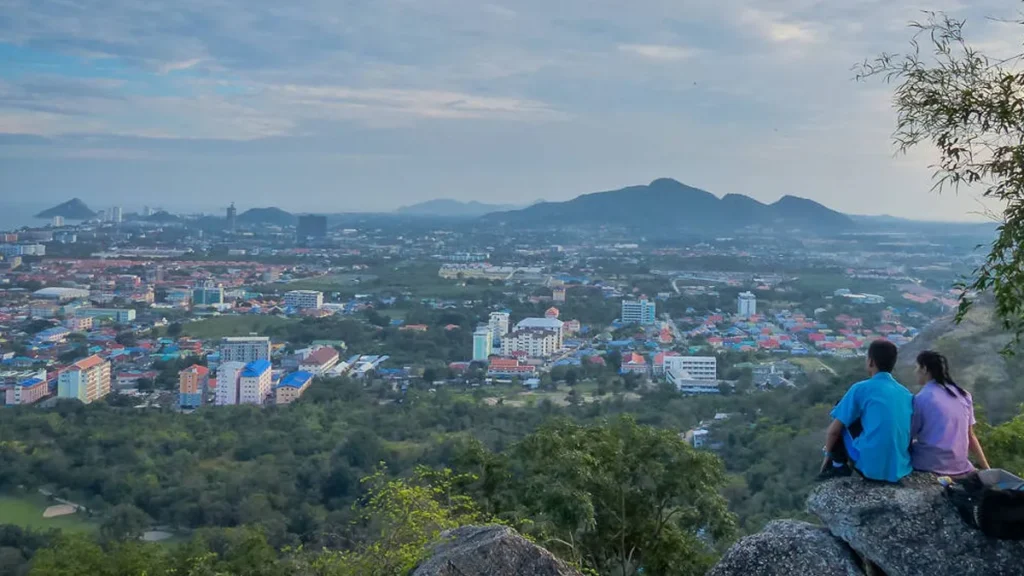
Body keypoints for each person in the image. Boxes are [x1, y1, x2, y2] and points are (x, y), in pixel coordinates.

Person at [818, 340, 913, 483]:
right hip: (901, 467)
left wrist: (827, 455)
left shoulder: (861, 388)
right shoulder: (906, 393)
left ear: (871, 362)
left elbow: (834, 431)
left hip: (870, 468)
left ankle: (838, 466)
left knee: (842, 415)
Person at [910, 350, 989, 476]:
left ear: (924, 369)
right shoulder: (963, 395)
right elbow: (970, 435)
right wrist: (987, 469)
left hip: (931, 464)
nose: (915, 372)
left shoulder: (922, 398)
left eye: (917, 367)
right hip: (960, 464)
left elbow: (909, 433)